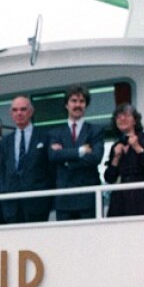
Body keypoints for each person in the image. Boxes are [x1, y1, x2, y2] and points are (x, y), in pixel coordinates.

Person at [49, 85, 105, 220]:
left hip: (89, 198)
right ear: (66, 105)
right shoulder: (55, 133)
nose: (78, 105)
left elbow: (96, 157)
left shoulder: (96, 130)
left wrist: (67, 161)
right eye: (74, 101)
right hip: (64, 199)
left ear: (86, 105)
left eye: (81, 101)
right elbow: (53, 156)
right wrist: (81, 151)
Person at [103, 103, 144, 217]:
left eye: (126, 115)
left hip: (141, 196)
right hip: (119, 200)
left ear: (135, 120)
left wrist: (137, 147)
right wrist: (115, 158)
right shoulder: (116, 145)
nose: (122, 119)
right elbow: (109, 178)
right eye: (118, 117)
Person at [1, 95, 53, 224]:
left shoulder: (44, 136)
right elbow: (3, 173)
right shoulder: (5, 141)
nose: (19, 113)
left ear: (31, 111)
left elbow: (51, 169)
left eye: (23, 109)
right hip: (12, 206)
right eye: (15, 110)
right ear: (11, 113)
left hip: (38, 203)